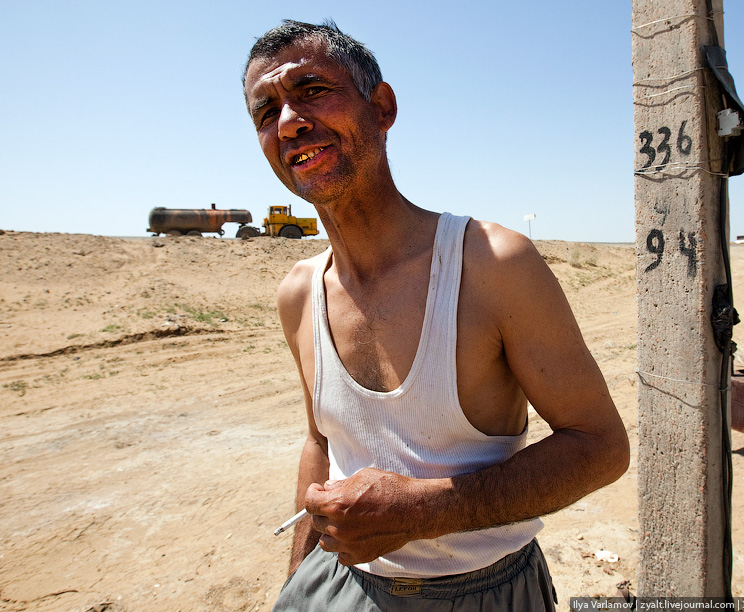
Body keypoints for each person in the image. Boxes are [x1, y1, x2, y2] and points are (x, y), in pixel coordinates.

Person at [243, 19, 630, 611]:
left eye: (313, 90)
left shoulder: (492, 265)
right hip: (339, 588)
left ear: (382, 107)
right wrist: (298, 585)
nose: (290, 120)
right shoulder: (299, 293)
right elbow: (322, 442)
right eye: (266, 110)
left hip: (486, 592)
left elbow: (600, 446)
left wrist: (424, 510)